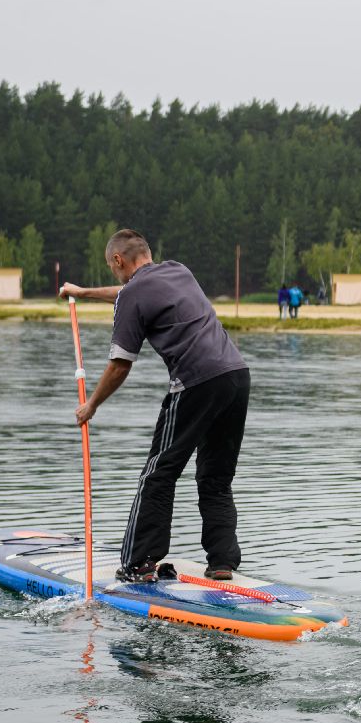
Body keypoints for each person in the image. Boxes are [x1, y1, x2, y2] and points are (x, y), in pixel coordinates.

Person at [60, 229, 251, 583]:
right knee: (216, 478)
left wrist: (91, 405)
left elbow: (120, 364)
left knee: (158, 473)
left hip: (196, 382)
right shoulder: (178, 271)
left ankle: (138, 563)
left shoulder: (133, 293)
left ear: (118, 260)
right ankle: (222, 562)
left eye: (111, 266)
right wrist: (83, 293)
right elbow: (128, 293)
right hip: (236, 377)